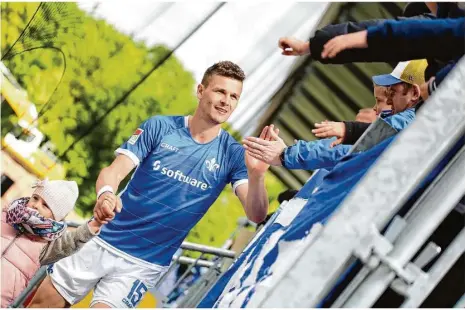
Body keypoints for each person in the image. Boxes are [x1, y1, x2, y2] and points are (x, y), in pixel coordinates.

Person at [28, 61, 271, 308]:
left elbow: (256, 213)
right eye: (220, 91)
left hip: (142, 264)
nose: (226, 101)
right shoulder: (160, 127)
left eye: (234, 96)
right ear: (200, 91)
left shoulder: (233, 154)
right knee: (40, 305)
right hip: (101, 239)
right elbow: (113, 171)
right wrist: (106, 195)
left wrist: (258, 175)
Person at [242, 59, 425, 170]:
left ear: (415, 94)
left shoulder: (404, 123)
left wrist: (287, 155)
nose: (388, 101)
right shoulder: (407, 120)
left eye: (392, 93)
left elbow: (354, 152)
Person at [1, 179, 102, 307]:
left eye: (45, 205)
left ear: (56, 217)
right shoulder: (5, 215)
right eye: (35, 198)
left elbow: (70, 242)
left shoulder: (46, 246)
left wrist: (91, 228)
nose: (36, 205)